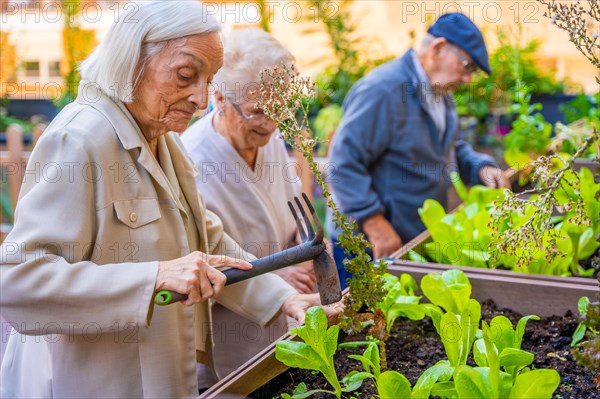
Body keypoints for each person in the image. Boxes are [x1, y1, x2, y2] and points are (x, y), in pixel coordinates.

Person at [0, 3, 339, 398]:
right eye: (184, 75)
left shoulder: (167, 140)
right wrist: (154, 277)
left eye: (208, 80)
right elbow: (17, 282)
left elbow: (208, 243)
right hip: (92, 382)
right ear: (132, 61)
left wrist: (287, 300)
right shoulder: (79, 139)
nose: (200, 99)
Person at [327, 13, 510, 285]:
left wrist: (480, 166)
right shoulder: (384, 89)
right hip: (368, 244)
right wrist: (375, 224)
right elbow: (343, 163)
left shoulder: (441, 96)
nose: (468, 79)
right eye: (467, 66)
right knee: (362, 324)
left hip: (409, 239)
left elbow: (452, 147)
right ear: (437, 48)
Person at [181, 28, 317, 379]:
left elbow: (291, 210)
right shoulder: (191, 163)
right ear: (221, 98)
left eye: (280, 108)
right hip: (230, 352)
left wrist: (305, 250)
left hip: (285, 333)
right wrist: (274, 276)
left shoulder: (266, 139)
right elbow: (193, 270)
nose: (271, 125)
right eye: (257, 111)